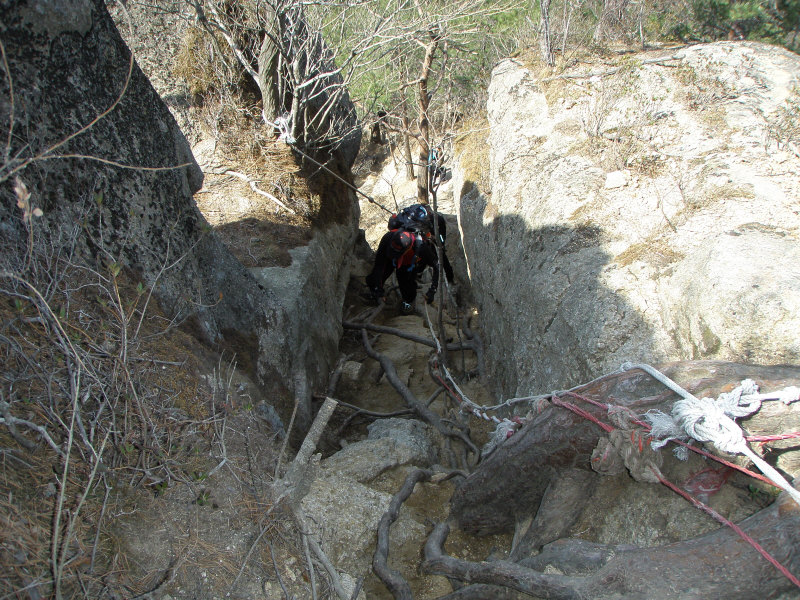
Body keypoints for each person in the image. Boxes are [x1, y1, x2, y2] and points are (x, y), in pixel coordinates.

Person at [365, 228, 440, 314]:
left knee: (407, 289)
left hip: (408, 263)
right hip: (391, 258)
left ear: (408, 248)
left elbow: (437, 266)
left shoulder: (422, 248)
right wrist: (378, 289)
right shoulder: (388, 237)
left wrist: (432, 290)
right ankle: (374, 291)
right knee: (375, 277)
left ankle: (408, 303)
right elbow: (379, 265)